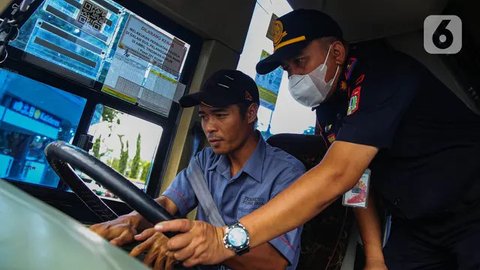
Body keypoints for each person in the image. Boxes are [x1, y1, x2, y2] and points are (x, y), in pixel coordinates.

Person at [154, 9, 480, 270]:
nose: (294, 76)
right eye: (287, 68)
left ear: (336, 51)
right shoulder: (328, 111)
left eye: (300, 61)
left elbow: (337, 174)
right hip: (417, 223)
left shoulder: (383, 74)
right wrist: (374, 257)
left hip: (471, 207)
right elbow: (356, 183)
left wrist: (227, 239)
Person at [90, 69, 305, 270]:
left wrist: (201, 243)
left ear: (250, 113)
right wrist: (127, 221)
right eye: (204, 117)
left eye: (220, 115)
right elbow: (166, 204)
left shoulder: (286, 173)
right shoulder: (205, 161)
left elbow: (275, 261)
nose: (209, 127)